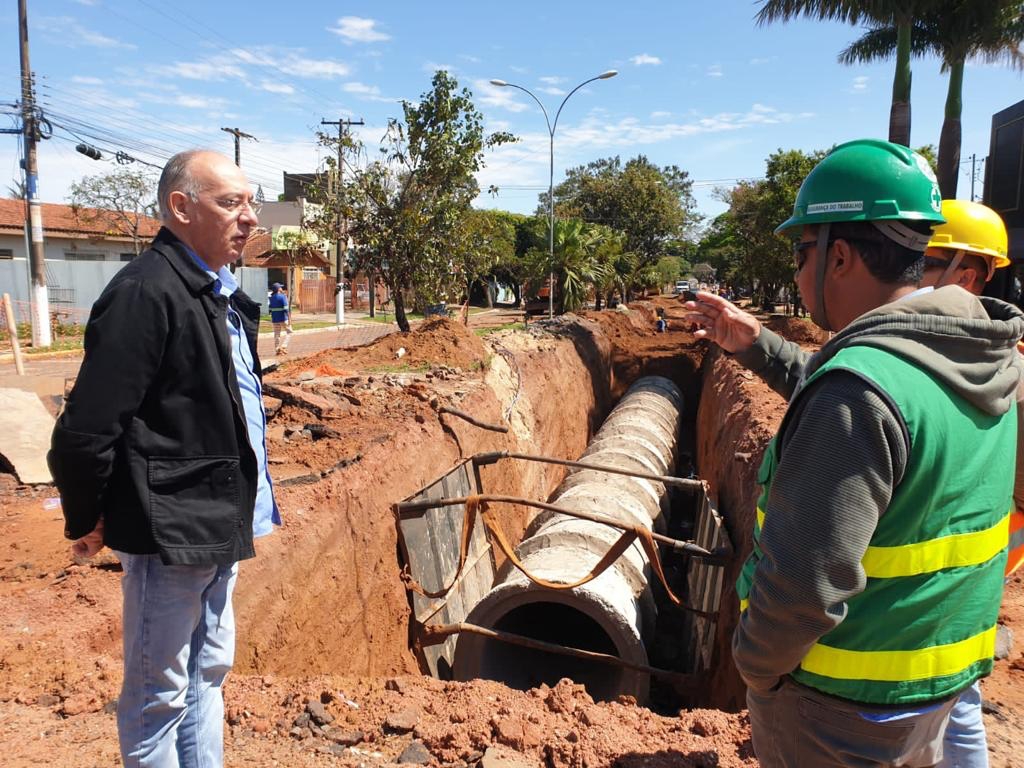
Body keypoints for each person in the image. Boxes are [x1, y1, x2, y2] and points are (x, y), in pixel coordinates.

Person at [686, 139, 1023, 767]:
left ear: (838, 255)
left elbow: (802, 591)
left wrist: (757, 669)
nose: (793, 272)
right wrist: (755, 342)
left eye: (800, 251)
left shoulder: (857, 395)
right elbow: (874, 391)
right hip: (936, 683)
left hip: (837, 712)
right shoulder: (989, 364)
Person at [48, 149, 280, 767]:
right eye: (231, 202)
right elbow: (86, 430)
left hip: (215, 523)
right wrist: (88, 517)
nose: (250, 217)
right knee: (158, 698)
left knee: (206, 679)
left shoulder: (212, 292)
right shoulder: (147, 294)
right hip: (171, 532)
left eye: (250, 202)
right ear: (180, 207)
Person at [919, 200, 1022, 768]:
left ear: (967, 273)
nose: (911, 275)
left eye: (922, 260)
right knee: (959, 710)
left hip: (935, 604)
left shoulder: (1005, 373)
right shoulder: (991, 363)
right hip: (960, 605)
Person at [268, 282, 292, 355]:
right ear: (278, 289)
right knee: (290, 332)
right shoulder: (282, 296)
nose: (282, 288)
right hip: (283, 318)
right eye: (281, 287)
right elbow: (286, 309)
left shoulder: (271, 298)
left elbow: (270, 309)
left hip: (275, 319)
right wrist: (289, 318)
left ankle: (277, 349)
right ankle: (283, 346)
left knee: (277, 334)